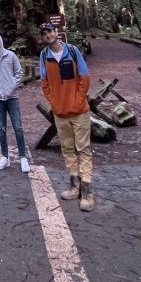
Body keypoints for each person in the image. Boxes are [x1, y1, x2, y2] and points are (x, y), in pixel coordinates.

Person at [38, 21, 94, 211]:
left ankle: (87, 192)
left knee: (83, 149)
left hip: (79, 111)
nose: (48, 35)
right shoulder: (44, 55)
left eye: (50, 31)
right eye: (44, 33)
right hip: (60, 113)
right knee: (68, 149)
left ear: (56, 32)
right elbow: (44, 83)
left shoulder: (72, 50)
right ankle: (75, 186)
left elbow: (84, 78)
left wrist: (78, 100)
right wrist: (54, 102)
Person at [0, 33, 29, 173]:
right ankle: (5, 157)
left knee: (18, 127)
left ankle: (23, 158)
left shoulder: (11, 55)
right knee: (1, 128)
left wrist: (11, 87)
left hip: (12, 97)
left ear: (0, 41)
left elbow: (19, 73)